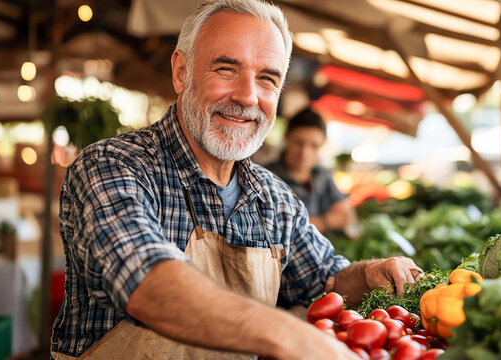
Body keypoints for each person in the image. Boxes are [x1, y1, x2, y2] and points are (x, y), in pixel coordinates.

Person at [51, 1, 423, 359]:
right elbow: (146, 283)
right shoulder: (112, 167)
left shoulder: (275, 199)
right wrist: (288, 334)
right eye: (226, 69)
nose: (248, 96)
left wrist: (369, 274)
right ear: (181, 72)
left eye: (267, 78)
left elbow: (326, 280)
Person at [266, 107, 356, 234]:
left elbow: (346, 215)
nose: (304, 153)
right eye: (299, 142)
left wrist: (311, 222)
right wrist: (327, 221)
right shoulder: (266, 177)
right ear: (286, 138)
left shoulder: (323, 174)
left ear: (322, 145)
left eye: (314, 146)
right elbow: (279, 228)